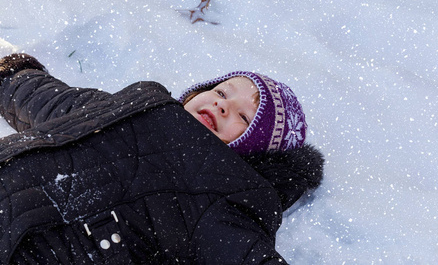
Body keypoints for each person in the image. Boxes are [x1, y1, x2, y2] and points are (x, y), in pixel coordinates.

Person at [0, 53, 324, 264]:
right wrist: (13, 76)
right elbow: (54, 103)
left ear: (255, 153)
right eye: (223, 92)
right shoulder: (132, 109)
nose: (223, 105)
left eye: (244, 115)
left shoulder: (226, 198)